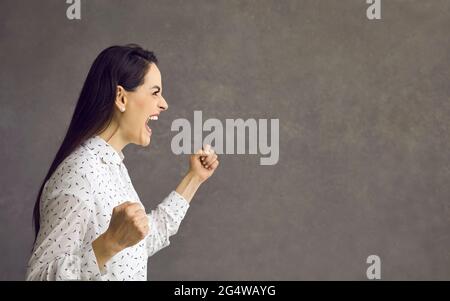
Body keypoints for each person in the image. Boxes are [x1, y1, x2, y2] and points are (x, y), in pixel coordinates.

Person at [26, 44, 219, 280]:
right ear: (121, 97)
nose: (164, 104)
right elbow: (37, 277)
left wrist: (194, 178)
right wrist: (109, 243)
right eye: (155, 92)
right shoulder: (80, 173)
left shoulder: (113, 168)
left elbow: (142, 243)